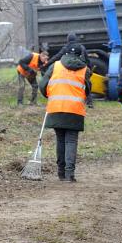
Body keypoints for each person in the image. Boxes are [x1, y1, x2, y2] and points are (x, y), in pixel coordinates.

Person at [38, 42, 93, 182]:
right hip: (75, 110)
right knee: (71, 141)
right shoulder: (85, 69)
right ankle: (70, 174)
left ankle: (61, 173)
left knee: (60, 139)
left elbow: (43, 85)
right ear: (80, 54)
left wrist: (50, 95)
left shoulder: (55, 66)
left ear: (65, 53)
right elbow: (87, 90)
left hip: (56, 108)